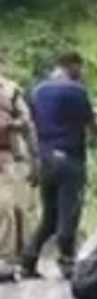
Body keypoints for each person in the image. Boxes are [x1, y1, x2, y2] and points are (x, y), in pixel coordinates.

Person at [22, 51, 97, 279]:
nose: (82, 73)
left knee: (49, 215)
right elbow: (92, 127)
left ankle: (28, 259)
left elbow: (32, 125)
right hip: (71, 159)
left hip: (46, 159)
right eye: (81, 68)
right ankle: (67, 263)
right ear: (72, 65)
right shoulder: (77, 91)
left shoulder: (37, 91)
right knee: (70, 213)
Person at [0, 63, 39, 278]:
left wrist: (35, 160)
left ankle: (8, 259)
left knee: (10, 207)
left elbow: (27, 122)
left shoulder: (10, 90)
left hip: (8, 156)